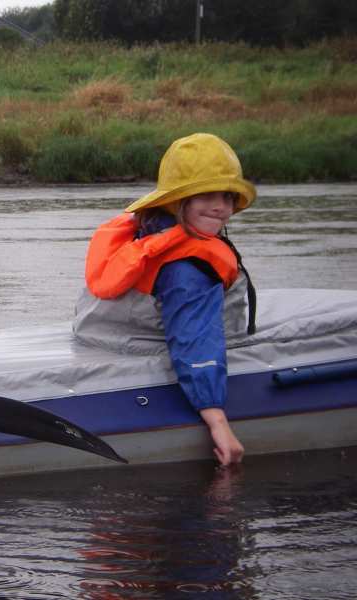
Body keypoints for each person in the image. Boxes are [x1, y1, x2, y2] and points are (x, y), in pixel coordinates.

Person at [74, 133, 257, 466]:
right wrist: (217, 420)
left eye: (228, 196)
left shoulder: (142, 231)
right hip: (156, 349)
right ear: (177, 200)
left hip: (104, 341)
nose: (221, 207)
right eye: (207, 195)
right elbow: (196, 338)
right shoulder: (191, 269)